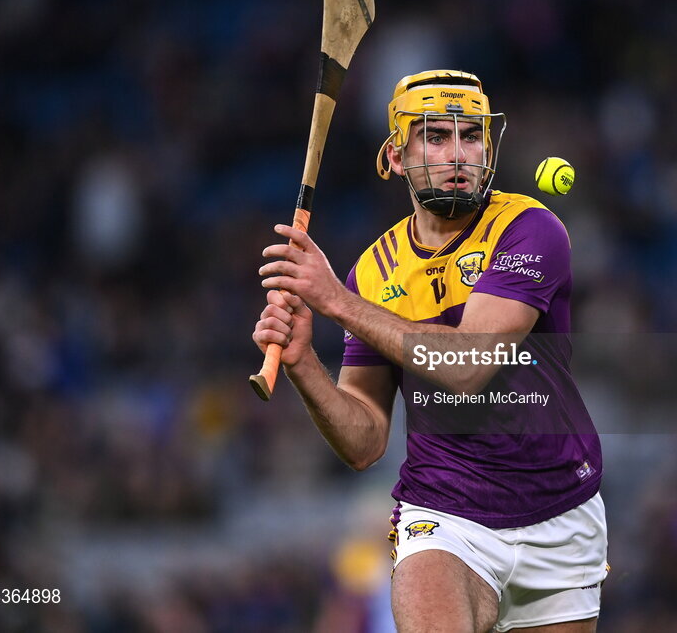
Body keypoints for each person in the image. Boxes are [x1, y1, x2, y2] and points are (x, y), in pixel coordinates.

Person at [253, 70, 607, 632]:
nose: (458, 153)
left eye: (471, 136)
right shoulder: (372, 273)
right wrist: (302, 365)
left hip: (560, 513)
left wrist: (337, 303)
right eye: (436, 137)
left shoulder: (530, 229)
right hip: (443, 511)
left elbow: (469, 364)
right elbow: (365, 440)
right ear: (397, 156)